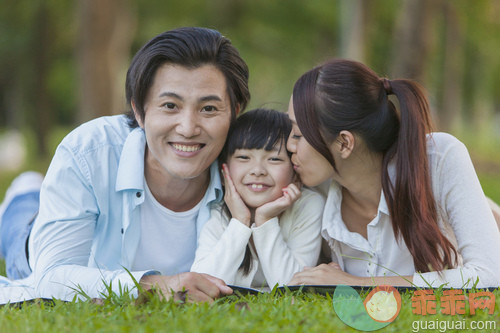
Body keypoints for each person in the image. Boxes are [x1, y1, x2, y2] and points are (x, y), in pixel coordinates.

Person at [0, 26, 250, 303]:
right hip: (35, 244)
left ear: (235, 112)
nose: (189, 128)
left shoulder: (254, 167)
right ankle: (23, 193)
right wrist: (156, 285)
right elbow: (51, 277)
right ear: (139, 111)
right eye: (170, 106)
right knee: (17, 227)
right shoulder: (89, 151)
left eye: (209, 109)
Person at [286, 59, 500, 288]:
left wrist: (358, 282)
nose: (288, 145)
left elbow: (489, 274)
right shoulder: (310, 188)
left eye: (298, 134)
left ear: (344, 143)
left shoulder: (439, 158)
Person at [190, 109, 324, 289]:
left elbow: (293, 287)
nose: (258, 170)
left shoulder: (308, 206)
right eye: (244, 157)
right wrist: (239, 222)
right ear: (224, 173)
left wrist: (265, 220)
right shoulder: (218, 211)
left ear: (295, 174)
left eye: (274, 159)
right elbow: (203, 284)